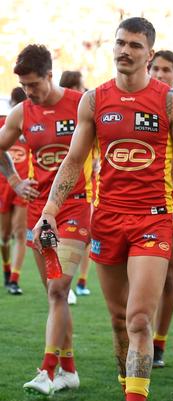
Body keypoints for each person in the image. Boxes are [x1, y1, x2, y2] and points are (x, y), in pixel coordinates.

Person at [32, 17, 173, 401]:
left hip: (152, 221)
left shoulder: (170, 103)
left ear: (149, 54)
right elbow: (75, 160)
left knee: (137, 318)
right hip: (106, 220)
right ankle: (132, 394)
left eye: (135, 45)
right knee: (117, 320)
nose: (125, 50)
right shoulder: (95, 100)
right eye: (120, 43)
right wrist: (51, 211)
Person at [0, 45, 91, 397]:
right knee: (54, 293)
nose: (29, 92)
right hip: (39, 212)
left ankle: (47, 370)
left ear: (50, 75)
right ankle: (69, 369)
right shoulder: (22, 112)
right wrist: (13, 181)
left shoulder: (81, 102)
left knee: (58, 289)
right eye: (23, 85)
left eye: (34, 84)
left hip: (75, 208)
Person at [145, 49, 173, 369]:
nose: (160, 75)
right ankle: (139, 337)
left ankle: (159, 341)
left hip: (170, 199)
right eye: (155, 69)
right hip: (132, 203)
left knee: (169, 273)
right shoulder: (137, 100)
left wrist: (166, 179)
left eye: (166, 70)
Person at [59, 70, 93, 303]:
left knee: (86, 241)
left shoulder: (90, 115)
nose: (84, 91)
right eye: (80, 87)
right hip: (49, 198)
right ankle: (68, 285)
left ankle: (76, 283)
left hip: (82, 197)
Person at [0, 86, 29, 295]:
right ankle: (7, 269)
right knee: (5, 235)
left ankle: (14, 280)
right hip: (3, 184)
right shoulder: (4, 123)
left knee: (21, 233)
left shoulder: (33, 123)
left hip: (24, 185)